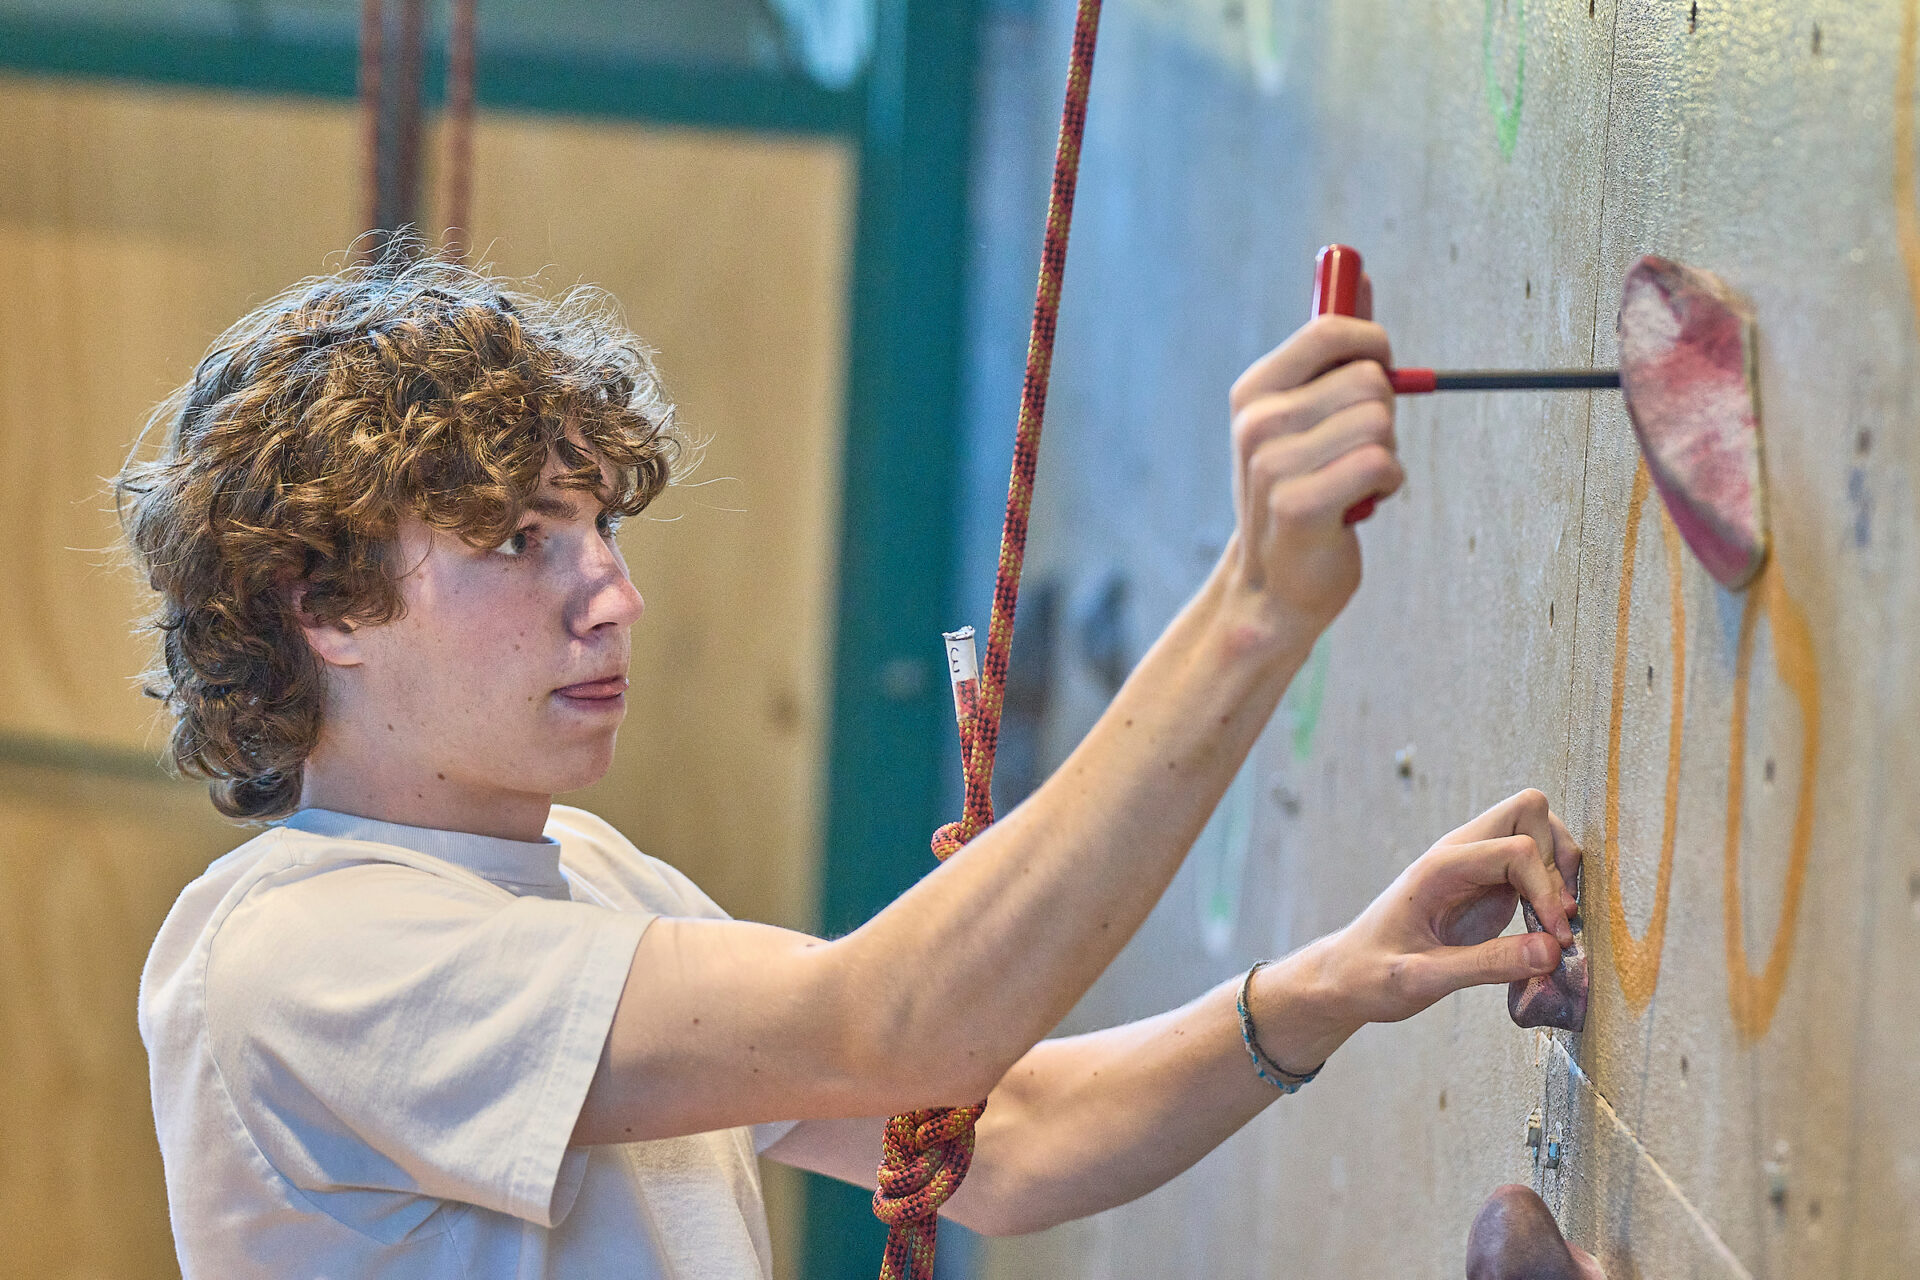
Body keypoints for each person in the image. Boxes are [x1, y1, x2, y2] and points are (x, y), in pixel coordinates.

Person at [123, 250, 1582, 1278]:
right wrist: (1255, 606)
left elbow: (996, 1141)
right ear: (324, 610)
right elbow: (899, 1023)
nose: (611, 596)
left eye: (600, 531)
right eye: (518, 544)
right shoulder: (298, 961)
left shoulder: (589, 881)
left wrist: (1326, 989)